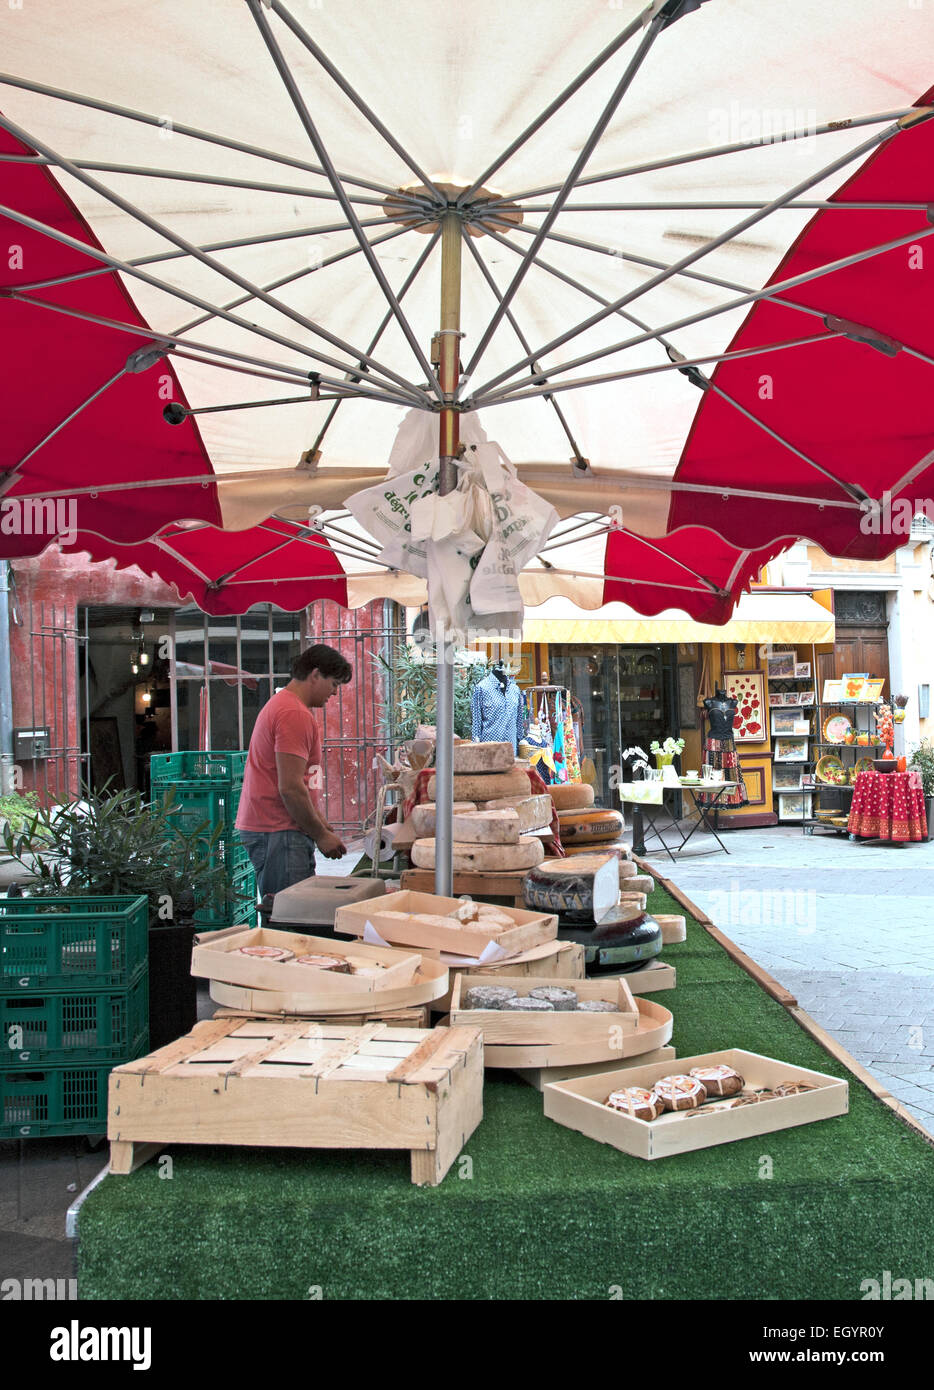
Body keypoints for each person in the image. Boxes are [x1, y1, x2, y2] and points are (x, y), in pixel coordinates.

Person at [235, 644, 352, 897]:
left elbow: (298, 779)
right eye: (334, 684)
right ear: (315, 675)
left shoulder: (287, 706)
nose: (334, 693)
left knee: (290, 912)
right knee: (288, 920)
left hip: (278, 828)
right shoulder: (292, 713)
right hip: (278, 830)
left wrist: (320, 822)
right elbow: (289, 787)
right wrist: (320, 835)